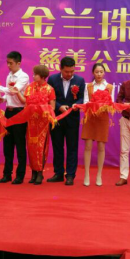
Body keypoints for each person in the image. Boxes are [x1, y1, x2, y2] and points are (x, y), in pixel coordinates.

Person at [0, 51, 29, 184]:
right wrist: (1, 99)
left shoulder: (23, 76)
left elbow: (13, 91)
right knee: (8, 145)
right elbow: (8, 95)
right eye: (7, 63)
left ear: (18, 63)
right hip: (8, 113)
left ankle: (20, 175)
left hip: (20, 113)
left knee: (20, 145)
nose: (8, 65)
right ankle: (7, 174)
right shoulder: (9, 75)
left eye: (11, 63)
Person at [47, 57, 85, 186]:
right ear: (60, 69)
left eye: (72, 71)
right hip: (57, 118)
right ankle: (58, 173)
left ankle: (70, 175)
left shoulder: (80, 80)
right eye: (67, 71)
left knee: (72, 148)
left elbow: (82, 98)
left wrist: (76, 104)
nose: (69, 74)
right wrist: (59, 107)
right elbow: (49, 97)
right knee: (57, 147)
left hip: (72, 119)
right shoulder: (52, 79)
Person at [21, 64, 56, 185]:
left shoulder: (49, 89)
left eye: (35, 74)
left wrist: (42, 108)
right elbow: (26, 104)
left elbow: (52, 107)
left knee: (41, 148)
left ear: (42, 76)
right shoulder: (29, 87)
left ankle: (40, 172)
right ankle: (33, 172)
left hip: (43, 123)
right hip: (31, 122)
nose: (33, 76)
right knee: (31, 147)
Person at [81, 63, 113, 187]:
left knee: (101, 147)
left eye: (101, 72)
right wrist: (93, 104)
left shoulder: (109, 87)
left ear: (104, 73)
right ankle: (86, 174)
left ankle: (99, 175)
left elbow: (111, 104)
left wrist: (103, 105)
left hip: (102, 118)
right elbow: (85, 102)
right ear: (93, 73)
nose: (99, 74)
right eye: (96, 72)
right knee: (88, 146)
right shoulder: (88, 86)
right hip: (90, 117)